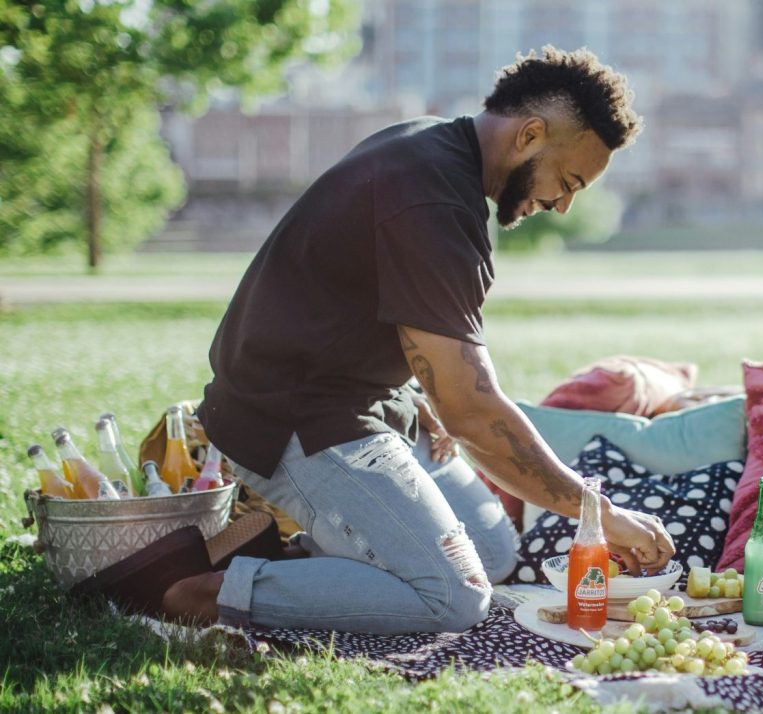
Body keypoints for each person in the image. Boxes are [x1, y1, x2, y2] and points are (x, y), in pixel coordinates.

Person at [96, 47, 676, 634]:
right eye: (569, 180)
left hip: (365, 404)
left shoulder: (432, 146)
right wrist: (599, 514)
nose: (563, 203)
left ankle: (302, 558)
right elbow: (472, 412)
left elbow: (371, 311)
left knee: (495, 553)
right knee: (454, 596)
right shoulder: (431, 200)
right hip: (295, 422)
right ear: (530, 134)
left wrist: (420, 393)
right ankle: (198, 592)